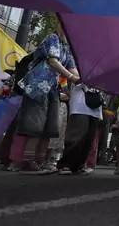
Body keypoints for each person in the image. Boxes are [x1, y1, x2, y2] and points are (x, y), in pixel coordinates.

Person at [16, 31, 79, 175]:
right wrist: (70, 76)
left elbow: (73, 68)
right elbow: (53, 61)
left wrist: (86, 78)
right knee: (35, 124)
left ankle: (40, 161)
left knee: (50, 126)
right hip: (38, 84)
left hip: (52, 87)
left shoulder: (67, 47)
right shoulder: (53, 38)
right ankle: (27, 163)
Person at [57, 84, 103, 175]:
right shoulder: (79, 69)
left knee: (89, 138)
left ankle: (79, 165)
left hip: (95, 104)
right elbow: (75, 78)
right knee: (77, 135)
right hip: (80, 103)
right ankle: (66, 164)